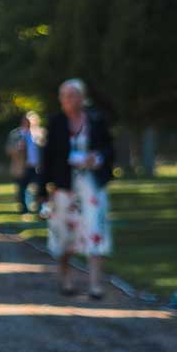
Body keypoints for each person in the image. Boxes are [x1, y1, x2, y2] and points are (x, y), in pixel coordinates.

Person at [43, 79, 116, 297]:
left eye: (72, 95)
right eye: (64, 96)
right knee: (65, 235)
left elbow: (109, 148)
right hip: (64, 187)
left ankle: (95, 285)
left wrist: (98, 157)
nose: (68, 100)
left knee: (95, 230)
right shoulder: (56, 123)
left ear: (82, 97)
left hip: (90, 186)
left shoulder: (96, 120)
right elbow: (47, 158)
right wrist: (42, 191)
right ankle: (66, 279)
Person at [6, 112, 45, 214]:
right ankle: (24, 209)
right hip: (22, 166)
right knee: (22, 188)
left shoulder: (41, 133)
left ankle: (39, 208)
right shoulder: (15, 134)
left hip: (37, 166)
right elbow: (8, 149)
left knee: (39, 187)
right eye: (26, 120)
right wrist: (17, 148)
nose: (28, 123)